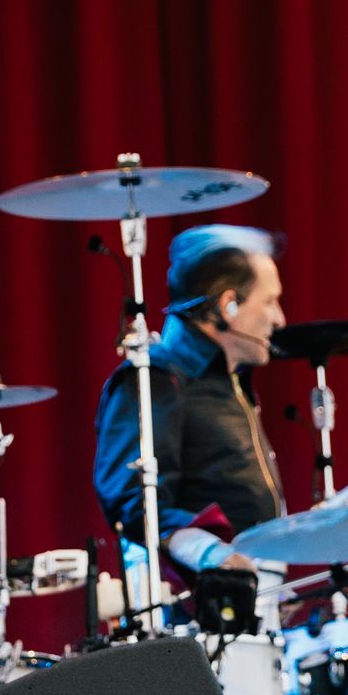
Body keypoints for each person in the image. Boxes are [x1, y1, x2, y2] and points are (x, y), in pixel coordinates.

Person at [90, 223, 290, 581]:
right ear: (229, 304)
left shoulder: (231, 382)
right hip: (191, 612)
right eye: (270, 302)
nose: (279, 319)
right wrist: (209, 552)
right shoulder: (157, 380)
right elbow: (133, 502)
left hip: (250, 600)